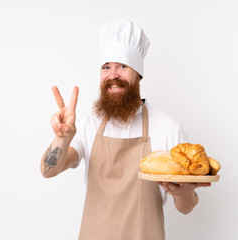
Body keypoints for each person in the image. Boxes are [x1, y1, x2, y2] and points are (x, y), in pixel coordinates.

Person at [40, 20, 211, 240]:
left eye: (122, 66)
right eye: (106, 67)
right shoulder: (87, 125)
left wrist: (186, 192)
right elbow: (48, 171)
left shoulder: (168, 128)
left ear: (138, 74)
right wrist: (62, 138)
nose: (113, 75)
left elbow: (186, 207)